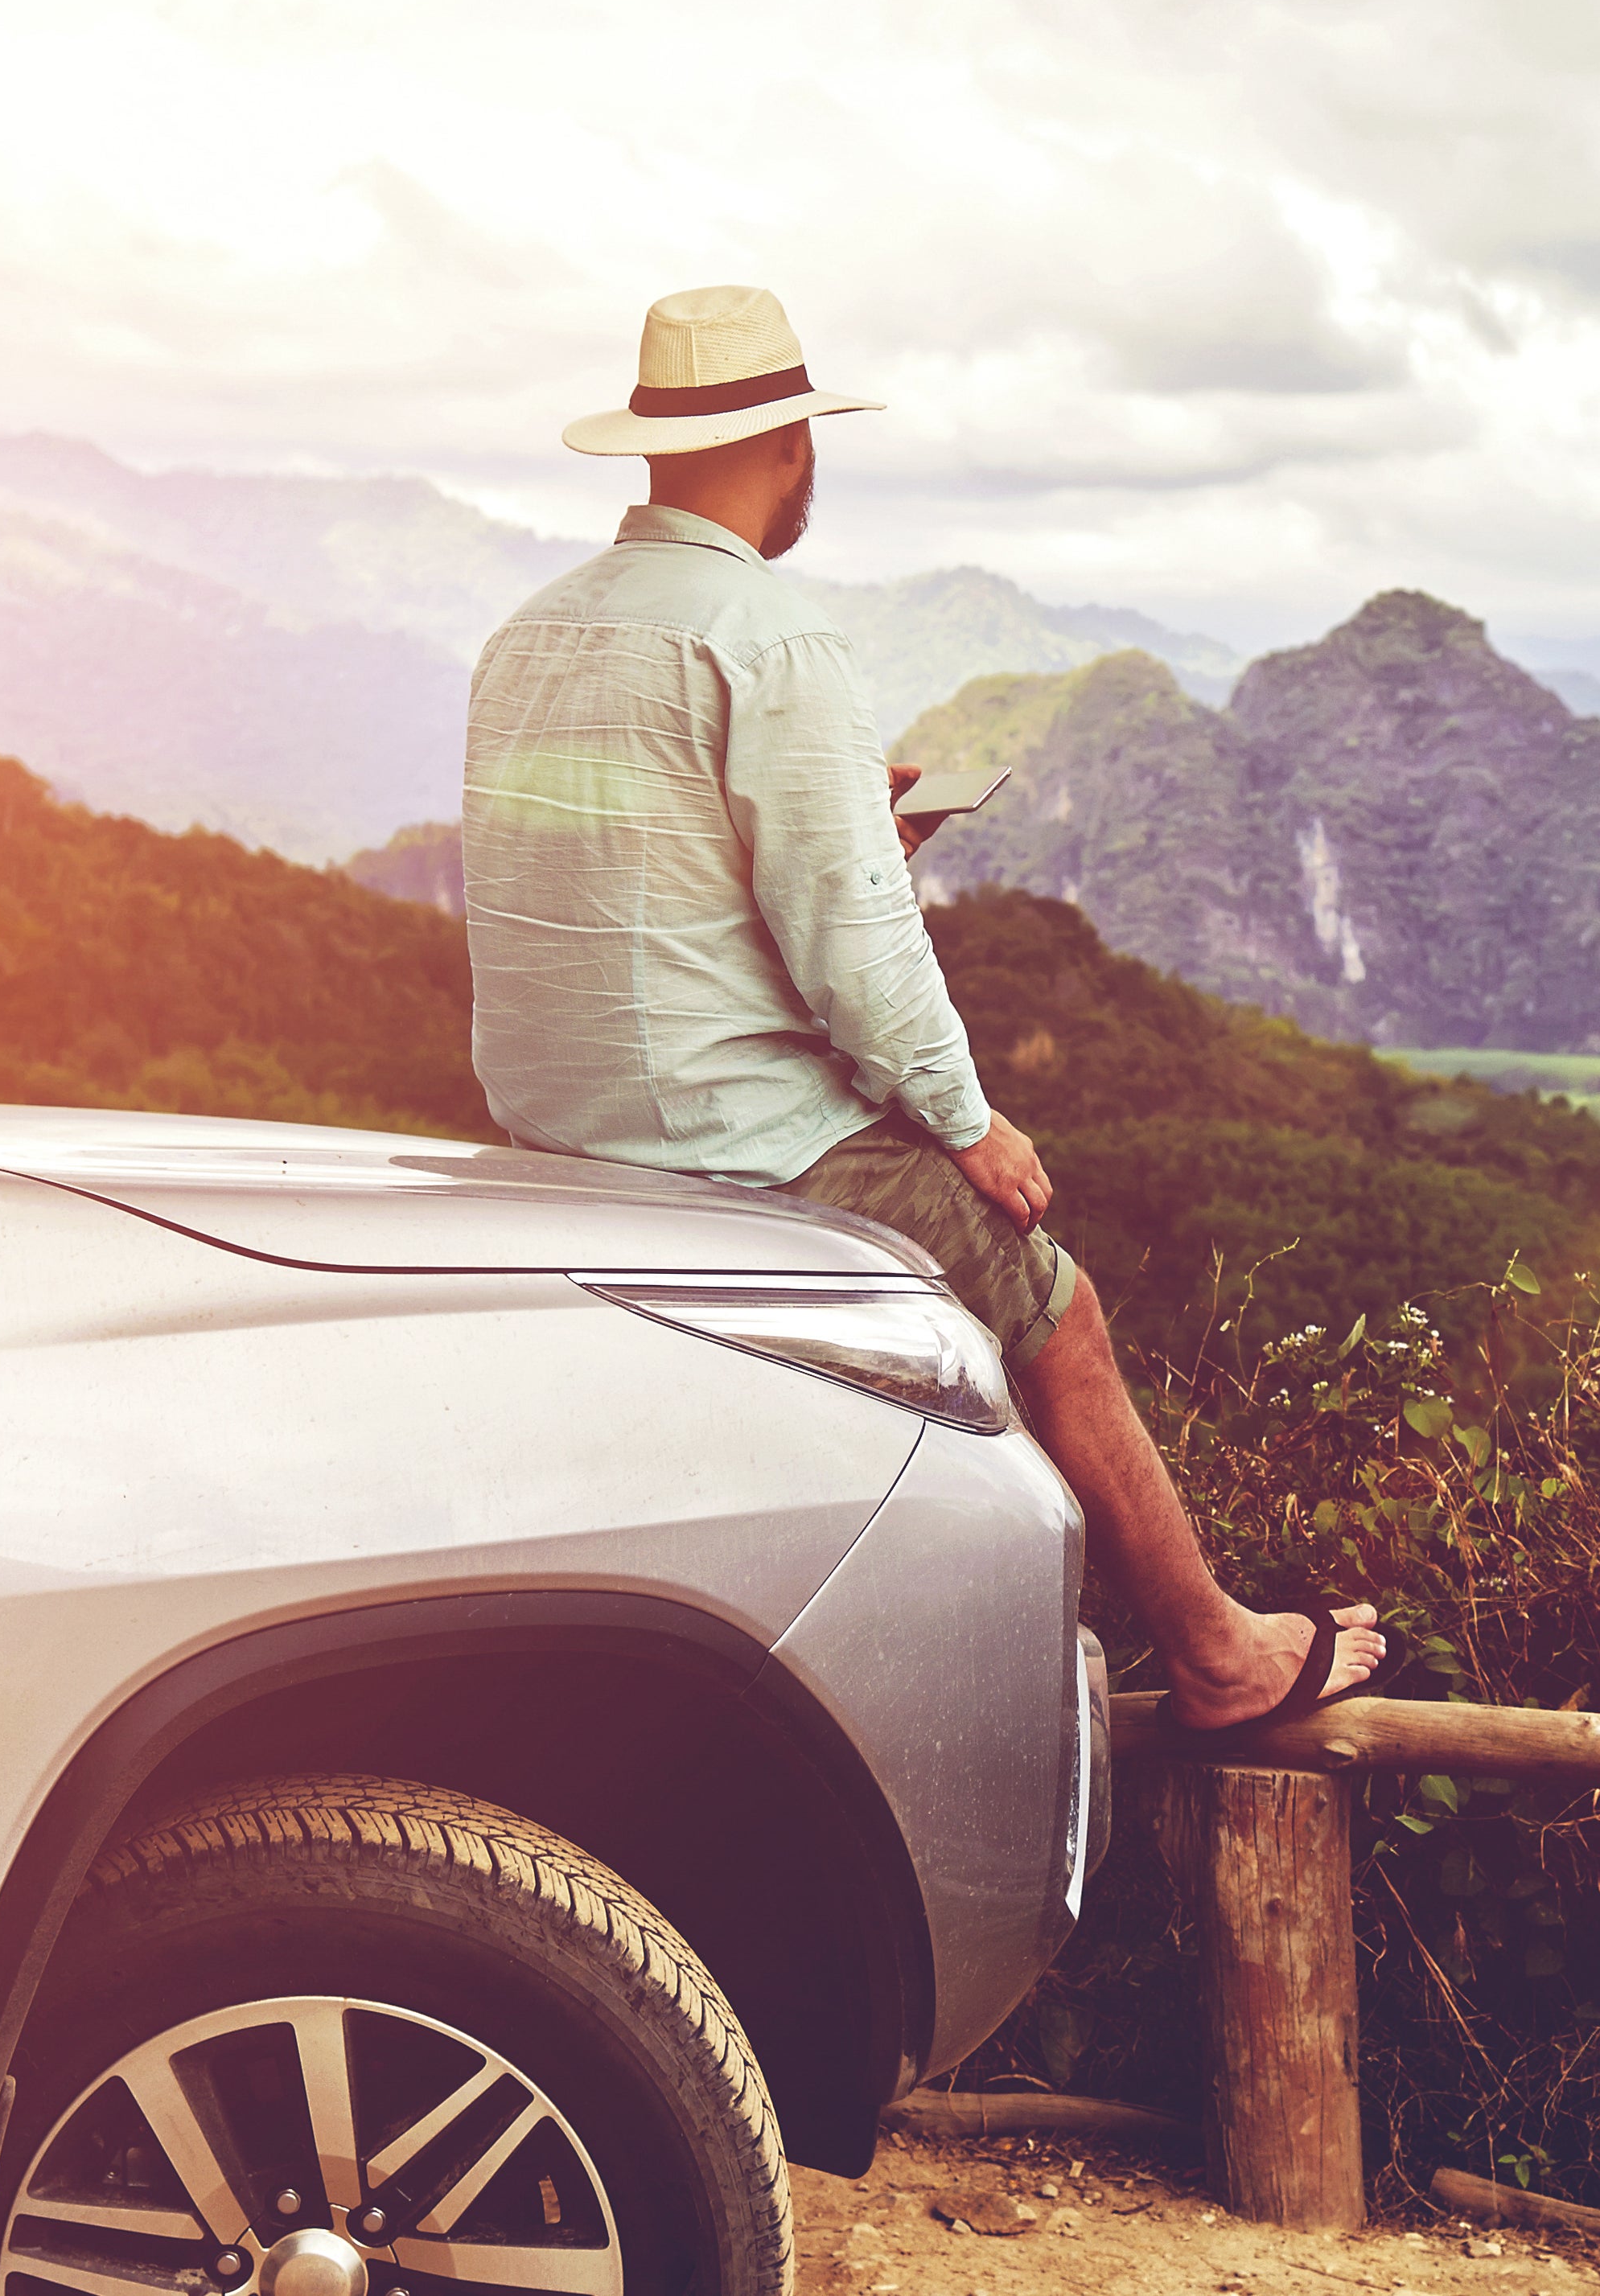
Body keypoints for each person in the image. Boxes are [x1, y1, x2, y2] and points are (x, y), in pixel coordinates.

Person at [464, 282, 1384, 1731]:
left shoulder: (529, 634)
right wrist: (969, 1122)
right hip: (732, 1138)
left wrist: (845, 835)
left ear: (650, 451)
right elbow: (858, 942)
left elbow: (614, 886)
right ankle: (1217, 1651)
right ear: (789, 451)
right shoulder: (769, 639)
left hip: (551, 1126)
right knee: (1054, 1308)